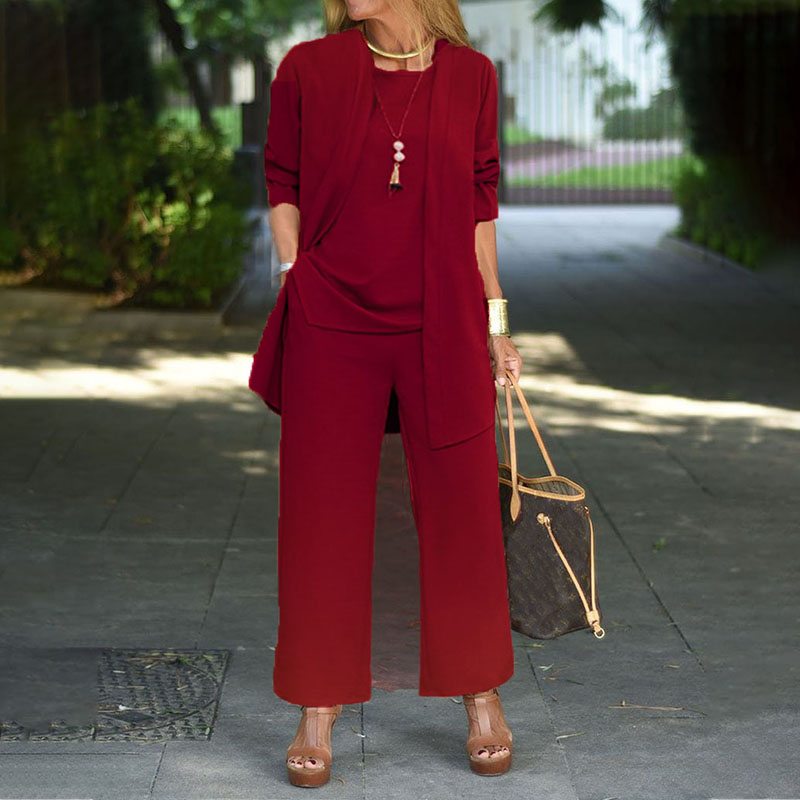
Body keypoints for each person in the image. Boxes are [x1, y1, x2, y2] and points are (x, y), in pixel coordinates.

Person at [251, 0, 523, 787]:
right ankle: (317, 707)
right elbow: (282, 179)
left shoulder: (472, 77)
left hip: (442, 316)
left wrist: (496, 322)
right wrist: (295, 275)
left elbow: (479, 205)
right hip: (332, 319)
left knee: (463, 510)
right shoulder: (308, 69)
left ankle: (481, 696)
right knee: (320, 514)